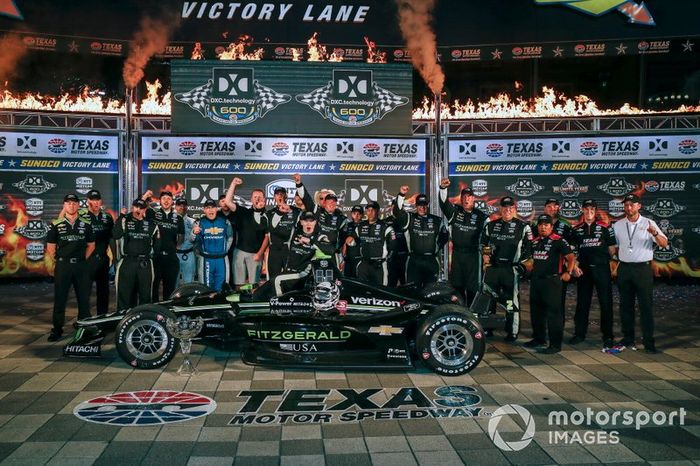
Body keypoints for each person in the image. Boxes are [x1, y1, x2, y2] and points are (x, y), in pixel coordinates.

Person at [612, 193, 668, 353]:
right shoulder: (618, 225)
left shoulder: (649, 223)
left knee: (646, 306)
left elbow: (664, 244)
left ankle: (649, 342)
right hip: (625, 269)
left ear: (639, 206)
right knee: (625, 306)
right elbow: (614, 247)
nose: (628, 207)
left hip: (643, 269)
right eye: (626, 205)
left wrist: (655, 233)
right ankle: (628, 337)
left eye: (632, 204)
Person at [481, 196, 533, 342]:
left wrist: (521, 266)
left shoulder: (523, 226)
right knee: (489, 299)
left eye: (510, 208)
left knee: (510, 302)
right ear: (501, 209)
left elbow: (529, 249)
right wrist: (486, 256)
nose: (507, 210)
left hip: (511, 270)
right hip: (493, 269)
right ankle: (487, 328)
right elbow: (483, 243)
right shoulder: (491, 225)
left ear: (514, 209)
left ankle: (512, 331)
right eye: (505, 207)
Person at [524, 214, 576, 354]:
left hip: (552, 281)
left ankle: (555, 345)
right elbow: (530, 261)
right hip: (536, 281)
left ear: (551, 227)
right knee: (536, 312)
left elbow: (571, 257)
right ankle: (539, 339)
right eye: (541, 225)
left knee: (554, 314)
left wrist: (568, 273)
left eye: (546, 225)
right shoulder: (534, 242)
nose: (543, 227)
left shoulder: (559, 240)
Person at [46, 194, 95, 341]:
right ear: (64, 206)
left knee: (84, 299)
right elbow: (50, 247)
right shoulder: (56, 224)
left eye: (74, 203)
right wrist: (61, 260)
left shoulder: (86, 224)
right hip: (63, 266)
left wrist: (81, 259)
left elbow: (91, 245)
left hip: (81, 266)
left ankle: (84, 328)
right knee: (60, 298)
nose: (72, 206)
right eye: (68, 203)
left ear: (78, 206)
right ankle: (57, 330)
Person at [569, 199, 617, 348]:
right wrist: (574, 267)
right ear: (582, 210)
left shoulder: (605, 227)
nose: (589, 212)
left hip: (601, 269)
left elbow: (612, 249)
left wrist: (603, 259)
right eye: (586, 209)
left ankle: (608, 336)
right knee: (583, 303)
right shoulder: (576, 229)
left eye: (592, 209)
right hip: (584, 270)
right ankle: (579, 334)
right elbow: (572, 252)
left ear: (595, 211)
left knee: (606, 303)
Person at [439, 179, 488, 305]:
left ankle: (472, 316)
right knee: (457, 288)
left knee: (473, 288)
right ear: (461, 199)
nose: (466, 199)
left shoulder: (482, 217)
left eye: (469, 197)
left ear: (473, 199)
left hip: (473, 256)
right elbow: (444, 204)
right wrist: (443, 188)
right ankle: (458, 314)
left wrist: (487, 256)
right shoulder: (455, 212)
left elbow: (488, 238)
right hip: (457, 255)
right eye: (464, 197)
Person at [392, 186, 448, 288]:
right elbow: (397, 211)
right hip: (414, 260)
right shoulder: (409, 218)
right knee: (412, 290)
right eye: (420, 205)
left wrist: (436, 247)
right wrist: (401, 195)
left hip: (431, 260)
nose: (422, 208)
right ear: (416, 205)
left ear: (428, 205)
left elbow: (444, 236)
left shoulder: (437, 220)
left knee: (431, 290)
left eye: (424, 205)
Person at [112, 199, 161, 312]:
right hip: (127, 262)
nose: (138, 209)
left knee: (145, 296)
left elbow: (157, 246)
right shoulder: (125, 220)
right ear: (132, 207)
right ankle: (122, 323)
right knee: (124, 296)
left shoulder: (152, 225)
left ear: (144, 209)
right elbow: (115, 234)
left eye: (141, 207)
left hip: (145, 263)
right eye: (136, 207)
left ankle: (144, 321)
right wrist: (121, 216)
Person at [273, 211, 334, 296]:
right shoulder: (294, 233)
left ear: (315, 222)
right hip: (289, 272)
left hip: (302, 274)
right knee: (267, 287)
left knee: (277, 280)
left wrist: (310, 241)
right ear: (301, 222)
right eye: (305, 221)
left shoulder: (320, 237)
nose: (308, 223)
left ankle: (279, 305)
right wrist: (280, 214)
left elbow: (330, 250)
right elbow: (275, 231)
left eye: (311, 221)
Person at [224, 178, 269, 289]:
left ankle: (252, 305)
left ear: (265, 199)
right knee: (239, 285)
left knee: (254, 285)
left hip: (256, 254)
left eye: (260, 197)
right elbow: (228, 202)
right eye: (255, 197)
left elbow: (267, 237)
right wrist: (233, 184)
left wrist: (260, 253)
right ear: (251, 199)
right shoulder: (243, 212)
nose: (258, 199)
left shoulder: (268, 216)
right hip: (239, 252)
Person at [294, 173, 347, 268]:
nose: (331, 204)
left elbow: (343, 241)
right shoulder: (317, 211)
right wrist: (298, 183)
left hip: (332, 254)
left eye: (333, 202)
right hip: (315, 252)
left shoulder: (342, 219)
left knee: (333, 281)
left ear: (336, 204)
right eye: (329, 201)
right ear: (324, 203)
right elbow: (306, 198)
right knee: (314, 279)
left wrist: (341, 256)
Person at [534, 198, 573, 320]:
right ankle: (541, 333)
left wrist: (572, 267)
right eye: (549, 206)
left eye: (555, 206)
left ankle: (557, 331)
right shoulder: (536, 224)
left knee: (557, 304)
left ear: (558, 208)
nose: (552, 208)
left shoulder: (565, 224)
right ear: (545, 208)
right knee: (539, 304)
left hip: (558, 272)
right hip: (540, 270)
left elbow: (571, 249)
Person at [143, 190, 184, 301]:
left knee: (170, 289)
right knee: (153, 288)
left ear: (172, 202)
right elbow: (140, 207)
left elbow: (181, 236)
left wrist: (176, 247)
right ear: (160, 201)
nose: (166, 201)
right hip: (156, 258)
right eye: (164, 198)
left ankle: (167, 313)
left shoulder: (178, 218)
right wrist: (146, 196)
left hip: (171, 258)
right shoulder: (153, 214)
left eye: (169, 199)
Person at [80, 189, 114, 315]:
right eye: (92, 200)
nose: (95, 202)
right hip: (87, 260)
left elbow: (111, 239)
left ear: (101, 202)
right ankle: (84, 320)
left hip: (102, 259)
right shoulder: (80, 216)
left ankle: (102, 319)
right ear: (88, 201)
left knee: (104, 292)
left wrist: (115, 257)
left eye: (97, 200)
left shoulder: (107, 217)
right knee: (84, 292)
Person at [347, 201, 395, 286]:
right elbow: (352, 238)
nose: (371, 212)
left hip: (379, 265)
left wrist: (385, 260)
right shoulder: (361, 226)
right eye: (368, 210)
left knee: (381, 293)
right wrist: (350, 239)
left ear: (378, 211)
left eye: (373, 210)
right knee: (363, 291)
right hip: (364, 264)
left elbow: (393, 247)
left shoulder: (386, 227)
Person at [192, 199, 234, 291]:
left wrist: (224, 251)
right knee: (205, 288)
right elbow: (192, 240)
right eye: (207, 208)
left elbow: (230, 237)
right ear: (204, 210)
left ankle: (220, 305)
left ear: (216, 209)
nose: (210, 210)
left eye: (212, 208)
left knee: (222, 287)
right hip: (206, 260)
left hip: (221, 260)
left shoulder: (225, 222)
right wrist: (194, 233)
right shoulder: (199, 223)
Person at [265, 185, 302, 281]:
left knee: (289, 276)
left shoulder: (295, 211)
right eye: (277, 194)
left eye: (282, 194)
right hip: (274, 249)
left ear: (286, 196)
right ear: (274, 197)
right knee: (273, 278)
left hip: (288, 248)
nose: (280, 196)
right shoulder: (269, 213)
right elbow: (270, 229)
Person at [175, 198, 197, 284]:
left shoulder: (192, 222)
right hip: (175, 254)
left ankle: (188, 297)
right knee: (173, 282)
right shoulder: (171, 220)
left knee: (189, 282)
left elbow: (195, 239)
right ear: (175, 207)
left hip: (188, 254)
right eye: (179, 205)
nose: (182, 207)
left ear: (187, 207)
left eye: (184, 205)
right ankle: (173, 298)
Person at [341, 205, 364, 278]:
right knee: (348, 279)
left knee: (360, 280)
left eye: (358, 214)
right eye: (354, 213)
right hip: (348, 258)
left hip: (361, 258)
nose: (356, 216)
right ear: (351, 214)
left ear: (362, 215)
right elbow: (343, 240)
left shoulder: (365, 225)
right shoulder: (347, 225)